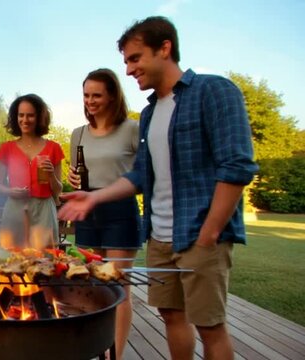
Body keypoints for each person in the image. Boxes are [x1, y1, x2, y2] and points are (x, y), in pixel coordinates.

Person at [58, 16, 258, 360]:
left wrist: (209, 233)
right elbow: (139, 176)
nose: (129, 69)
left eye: (135, 58)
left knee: (210, 326)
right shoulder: (150, 114)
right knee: (171, 316)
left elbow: (237, 167)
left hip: (199, 234)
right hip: (160, 236)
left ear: (164, 48)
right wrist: (93, 197)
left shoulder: (214, 91)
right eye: (126, 61)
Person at [67, 68, 140, 360]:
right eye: (86, 95)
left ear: (112, 96)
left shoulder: (132, 129)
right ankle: (91, 349)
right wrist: (73, 181)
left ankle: (115, 355)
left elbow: (142, 174)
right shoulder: (78, 134)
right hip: (87, 209)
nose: (90, 101)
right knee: (89, 285)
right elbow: (79, 174)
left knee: (118, 286)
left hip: (120, 209)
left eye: (97, 95)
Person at [0, 94, 64, 249]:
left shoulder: (54, 148)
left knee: (46, 260)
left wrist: (52, 175)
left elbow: (58, 191)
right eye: (21, 115)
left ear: (39, 117)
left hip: (44, 209)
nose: (25, 120)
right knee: (11, 258)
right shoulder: (6, 148)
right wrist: (11, 191)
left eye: (30, 115)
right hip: (15, 207)